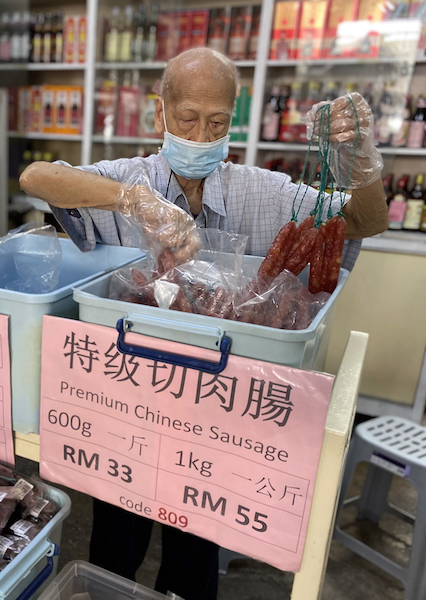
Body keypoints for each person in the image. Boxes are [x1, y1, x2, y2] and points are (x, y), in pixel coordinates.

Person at [20, 48, 387, 600]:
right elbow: (36, 176)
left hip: (217, 413)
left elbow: (366, 220)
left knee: (195, 551)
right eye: (187, 118)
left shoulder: (263, 192)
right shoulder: (129, 177)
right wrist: (133, 201)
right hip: (128, 404)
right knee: (116, 541)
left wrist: (357, 159)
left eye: (216, 122)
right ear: (160, 113)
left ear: (233, 120)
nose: (200, 133)